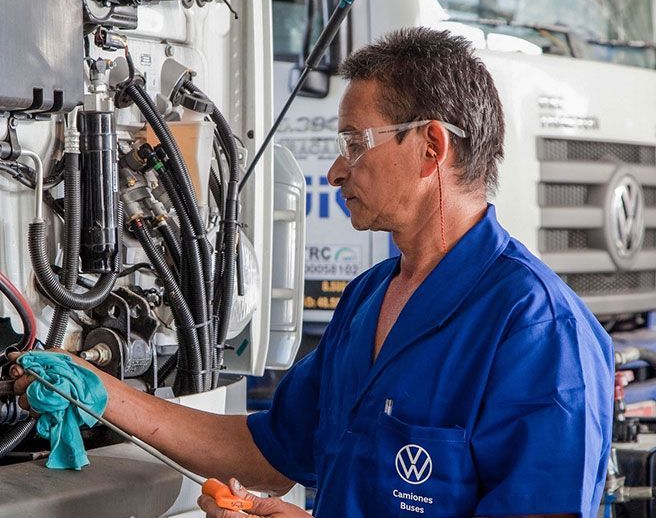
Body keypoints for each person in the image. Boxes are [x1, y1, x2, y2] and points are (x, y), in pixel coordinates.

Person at [11, 28, 613, 518]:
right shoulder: (369, 300)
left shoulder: (540, 334)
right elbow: (267, 451)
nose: (334, 171)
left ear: (431, 148)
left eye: (355, 143)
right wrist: (93, 387)